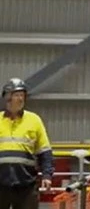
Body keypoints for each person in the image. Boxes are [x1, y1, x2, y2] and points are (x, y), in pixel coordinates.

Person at [0, 78, 53, 209]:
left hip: (26, 185)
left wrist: (47, 175)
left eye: (22, 95)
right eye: (16, 95)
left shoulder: (34, 120)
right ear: (7, 97)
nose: (20, 99)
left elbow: (45, 151)